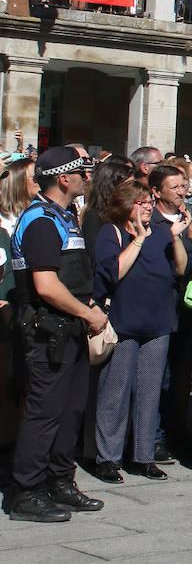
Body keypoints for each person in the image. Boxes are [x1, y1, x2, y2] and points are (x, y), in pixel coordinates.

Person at [8, 147, 106, 522]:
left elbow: (74, 276)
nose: (87, 176)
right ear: (64, 178)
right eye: (82, 171)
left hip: (71, 330)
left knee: (70, 411)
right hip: (48, 331)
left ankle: (60, 481)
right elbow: (46, 286)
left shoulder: (64, 217)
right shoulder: (40, 221)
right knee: (44, 413)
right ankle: (26, 492)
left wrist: (90, 308)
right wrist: (87, 313)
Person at [91, 180, 186, 483]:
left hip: (157, 322)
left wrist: (175, 239)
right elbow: (114, 271)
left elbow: (180, 269)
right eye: (141, 202)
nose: (148, 207)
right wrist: (139, 239)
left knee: (148, 394)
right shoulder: (111, 232)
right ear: (126, 205)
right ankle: (108, 457)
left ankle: (143, 456)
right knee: (115, 393)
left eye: (149, 202)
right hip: (123, 323)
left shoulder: (160, 232)